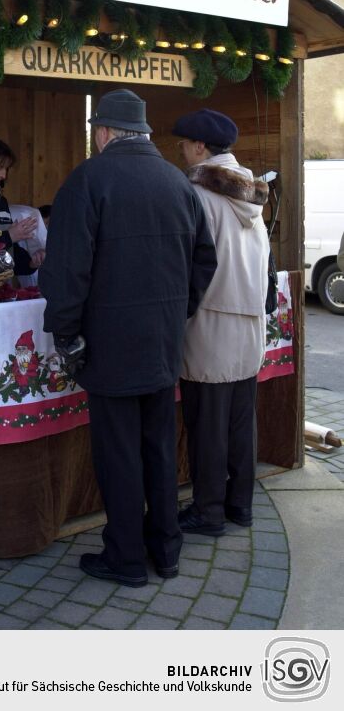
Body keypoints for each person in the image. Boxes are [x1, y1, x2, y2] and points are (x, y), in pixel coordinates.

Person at [39, 89, 218, 588]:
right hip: (162, 343)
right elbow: (205, 261)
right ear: (142, 132)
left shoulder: (88, 180)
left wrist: (67, 335)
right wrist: (177, 313)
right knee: (159, 447)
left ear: (103, 132)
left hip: (109, 346)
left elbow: (66, 271)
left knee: (119, 453)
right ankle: (166, 551)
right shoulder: (178, 184)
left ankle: (125, 558)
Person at [171, 108, 270, 537]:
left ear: (198, 147)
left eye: (182, 144)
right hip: (248, 321)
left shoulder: (197, 194)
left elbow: (191, 266)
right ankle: (239, 506)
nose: (179, 151)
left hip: (211, 320)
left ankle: (209, 512)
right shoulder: (251, 193)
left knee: (207, 423)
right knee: (239, 421)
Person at [0, 135, 45, 278]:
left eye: (6, 169)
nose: (4, 175)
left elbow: (8, 252)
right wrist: (9, 236)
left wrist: (31, 262)